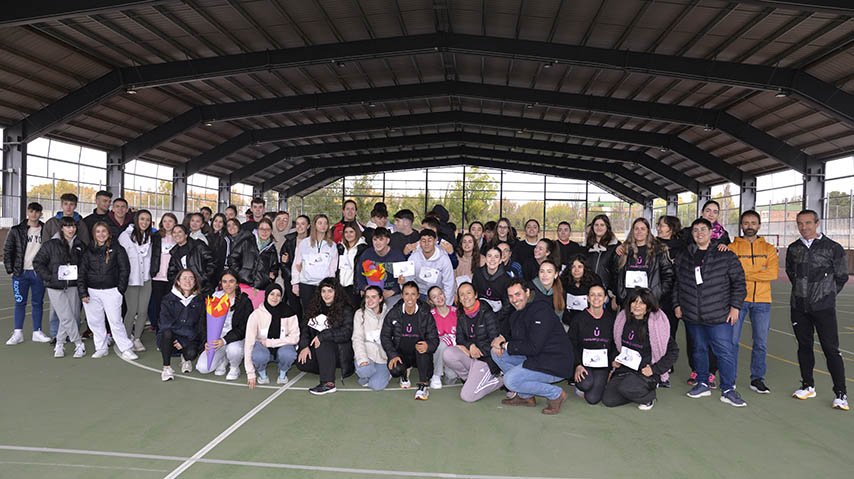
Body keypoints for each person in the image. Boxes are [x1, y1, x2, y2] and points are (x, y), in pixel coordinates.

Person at [674, 218, 747, 407]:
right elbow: (677, 283)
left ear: (711, 232)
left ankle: (729, 389)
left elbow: (739, 283)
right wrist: (677, 304)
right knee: (699, 350)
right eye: (696, 230)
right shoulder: (684, 256)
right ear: (692, 234)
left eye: (703, 229)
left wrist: (735, 307)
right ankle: (703, 383)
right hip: (692, 315)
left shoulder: (725, 255)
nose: (699, 233)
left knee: (725, 352)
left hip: (719, 315)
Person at [786, 210, 849, 410]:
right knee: (804, 346)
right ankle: (808, 386)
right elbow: (791, 273)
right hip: (799, 307)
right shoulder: (793, 248)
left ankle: (840, 394)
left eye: (808, 223)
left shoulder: (833, 248)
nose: (804, 227)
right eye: (800, 224)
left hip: (823, 308)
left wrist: (826, 295)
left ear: (817, 223)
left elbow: (841, 276)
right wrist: (801, 293)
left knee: (831, 349)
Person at [490, 279, 573, 415]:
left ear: (527, 292)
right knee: (496, 353)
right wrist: (501, 341)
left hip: (555, 363)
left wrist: (505, 344)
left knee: (509, 380)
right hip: (536, 357)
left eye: (518, 294)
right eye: (510, 296)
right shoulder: (517, 314)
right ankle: (525, 396)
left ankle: (556, 394)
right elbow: (519, 340)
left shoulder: (541, 310)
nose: (514, 299)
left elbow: (534, 346)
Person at [728, 210, 778, 394]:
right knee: (732, 341)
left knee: (760, 343)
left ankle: (757, 379)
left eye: (753, 222)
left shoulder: (769, 249)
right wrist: (758, 274)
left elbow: (772, 273)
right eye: (746, 223)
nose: (750, 226)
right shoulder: (732, 248)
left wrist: (744, 275)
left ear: (759, 225)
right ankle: (729, 378)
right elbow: (731, 274)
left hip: (763, 301)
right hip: (737, 301)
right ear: (741, 225)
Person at [603, 288, 678, 410]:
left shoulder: (656, 325)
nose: (637, 306)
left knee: (625, 387)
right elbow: (615, 345)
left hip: (645, 372)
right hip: (625, 369)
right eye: (634, 302)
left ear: (648, 306)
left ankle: (648, 397)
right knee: (609, 400)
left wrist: (654, 369)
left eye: (642, 303)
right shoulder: (622, 320)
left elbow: (673, 351)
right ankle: (633, 390)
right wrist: (615, 358)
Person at [78, 221, 137, 360]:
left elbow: (124, 270)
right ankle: (101, 347)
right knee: (95, 322)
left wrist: (119, 290)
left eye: (103, 231)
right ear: (94, 234)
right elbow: (82, 273)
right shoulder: (88, 250)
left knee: (115, 321)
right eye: (98, 232)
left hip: (112, 291)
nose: (101, 234)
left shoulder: (117, 249)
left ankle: (126, 348)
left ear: (108, 233)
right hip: (92, 292)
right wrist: (83, 293)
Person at [33, 216, 86, 358]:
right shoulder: (50, 244)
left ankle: (59, 344)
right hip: (55, 287)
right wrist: (50, 278)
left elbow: (84, 266)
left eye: (73, 226)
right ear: (61, 228)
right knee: (66, 316)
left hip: (73, 286)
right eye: (68, 226)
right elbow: (38, 262)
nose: (71, 229)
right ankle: (79, 344)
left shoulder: (80, 245)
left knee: (72, 316)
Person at [443, 282, 504, 402]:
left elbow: (495, 340)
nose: (465, 297)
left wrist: (478, 350)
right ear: (459, 299)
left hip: (486, 358)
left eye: (469, 293)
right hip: (472, 355)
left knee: (467, 396)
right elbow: (459, 338)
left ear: (475, 295)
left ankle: (502, 381)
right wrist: (470, 346)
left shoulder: (487, 313)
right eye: (462, 295)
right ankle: (470, 379)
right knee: (448, 353)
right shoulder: (461, 315)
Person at [381, 281, 439, 400]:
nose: (410, 298)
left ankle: (423, 386)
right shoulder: (394, 313)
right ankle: (404, 374)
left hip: (419, 355)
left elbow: (434, 338)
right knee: (395, 369)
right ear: (402, 295)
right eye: (407, 294)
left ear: (418, 296)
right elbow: (385, 336)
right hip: (401, 354)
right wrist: (392, 355)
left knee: (423, 352)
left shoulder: (425, 314)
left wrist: (428, 346)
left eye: (413, 294)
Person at [296, 278, 355, 395]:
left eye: (330, 291)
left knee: (324, 342)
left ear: (336, 292)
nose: (326, 295)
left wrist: (323, 335)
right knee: (302, 363)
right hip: (319, 350)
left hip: (339, 352)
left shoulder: (346, 309)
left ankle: (328, 383)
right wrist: (304, 346)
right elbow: (305, 329)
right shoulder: (314, 308)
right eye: (323, 291)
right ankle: (326, 367)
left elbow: (346, 333)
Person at [4, 202, 51, 345]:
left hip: (38, 273)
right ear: (27, 212)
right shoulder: (16, 230)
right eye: (31, 211)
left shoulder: (45, 230)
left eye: (37, 212)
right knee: (20, 302)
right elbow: (8, 250)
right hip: (21, 273)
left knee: (38, 303)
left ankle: (37, 331)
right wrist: (10, 270)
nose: (34, 214)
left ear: (41, 213)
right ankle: (18, 332)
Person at [196, 271, 253, 380]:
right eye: (224, 282)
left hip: (235, 339)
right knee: (203, 368)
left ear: (237, 283)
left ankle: (234, 367)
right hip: (216, 340)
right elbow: (203, 323)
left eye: (231, 281)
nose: (228, 285)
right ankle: (223, 359)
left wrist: (224, 340)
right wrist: (206, 342)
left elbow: (244, 328)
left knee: (234, 350)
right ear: (220, 284)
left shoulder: (245, 301)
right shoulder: (213, 299)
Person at [245, 284, 300, 388]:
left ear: (281, 297)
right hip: (262, 346)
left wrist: (270, 342)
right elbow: (249, 343)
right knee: (258, 355)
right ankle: (262, 374)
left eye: (278, 295)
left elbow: (295, 338)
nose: (275, 298)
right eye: (272, 294)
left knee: (289, 354)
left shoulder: (289, 312)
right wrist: (250, 373)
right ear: (266, 295)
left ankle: (283, 373)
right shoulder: (256, 314)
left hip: (281, 345)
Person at [568, 285, 615, 404]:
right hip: (584, 364)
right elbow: (571, 344)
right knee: (585, 384)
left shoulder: (611, 319)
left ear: (605, 299)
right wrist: (577, 365)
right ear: (588, 298)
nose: (596, 298)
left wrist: (611, 368)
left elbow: (615, 345)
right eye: (592, 295)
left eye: (599, 295)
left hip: (602, 365)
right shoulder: (578, 319)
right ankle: (580, 387)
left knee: (593, 399)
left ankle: (600, 382)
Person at [612, 218, 673, 306]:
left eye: (642, 229)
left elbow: (668, 275)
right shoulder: (623, 251)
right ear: (632, 231)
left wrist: (658, 295)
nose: (639, 231)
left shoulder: (659, 251)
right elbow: (615, 275)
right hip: (628, 302)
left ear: (648, 231)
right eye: (636, 229)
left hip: (650, 302)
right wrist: (620, 295)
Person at [118, 209, 154, 352]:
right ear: (136, 219)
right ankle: (126, 339)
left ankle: (137, 338)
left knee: (143, 311)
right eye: (142, 219)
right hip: (132, 279)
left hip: (146, 279)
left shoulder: (150, 237)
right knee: (132, 310)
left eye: (147, 220)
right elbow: (121, 259)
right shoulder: (125, 236)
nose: (144, 222)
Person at [158, 269, 204, 381]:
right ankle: (166, 368)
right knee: (167, 333)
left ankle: (185, 358)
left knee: (191, 354)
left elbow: (200, 325)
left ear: (195, 282)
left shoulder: (199, 300)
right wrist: (181, 337)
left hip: (189, 338)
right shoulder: (168, 299)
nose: (188, 281)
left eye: (191, 278)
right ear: (178, 281)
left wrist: (184, 342)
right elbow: (164, 323)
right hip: (172, 337)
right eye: (184, 278)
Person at [291, 215, 339, 314]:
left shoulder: (332, 245)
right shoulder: (304, 243)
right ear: (314, 225)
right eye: (320, 223)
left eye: (325, 223)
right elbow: (296, 264)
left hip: (323, 286)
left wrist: (331, 285)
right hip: (306, 285)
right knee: (308, 314)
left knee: (324, 313)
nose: (323, 226)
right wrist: (295, 283)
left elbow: (333, 267)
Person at [228, 217, 280, 309]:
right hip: (243, 286)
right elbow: (232, 258)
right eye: (262, 229)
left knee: (256, 318)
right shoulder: (247, 242)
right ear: (257, 229)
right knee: (240, 316)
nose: (264, 232)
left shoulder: (272, 249)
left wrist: (270, 277)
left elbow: (275, 268)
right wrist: (239, 273)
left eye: (267, 229)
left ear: (271, 231)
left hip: (260, 289)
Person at [352, 285, 391, 391]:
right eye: (367, 297)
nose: (369, 300)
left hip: (383, 357)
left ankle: (382, 374)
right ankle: (364, 375)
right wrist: (362, 358)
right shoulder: (359, 314)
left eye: (373, 297)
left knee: (377, 386)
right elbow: (357, 339)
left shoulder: (389, 314)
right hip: (367, 353)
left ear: (381, 298)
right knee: (365, 370)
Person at [354, 227, 406, 306]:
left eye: (381, 239)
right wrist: (364, 287)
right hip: (371, 293)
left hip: (391, 293)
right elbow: (359, 275)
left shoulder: (397, 256)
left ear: (387, 240)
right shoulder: (367, 254)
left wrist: (392, 291)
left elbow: (403, 278)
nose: (377, 243)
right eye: (375, 239)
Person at [402, 229, 454, 305]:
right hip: (420, 293)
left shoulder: (444, 258)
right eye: (423, 241)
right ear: (419, 242)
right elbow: (409, 279)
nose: (426, 244)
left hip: (437, 295)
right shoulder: (414, 257)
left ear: (435, 241)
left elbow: (449, 284)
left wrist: (446, 306)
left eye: (429, 240)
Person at [471, 246, 512, 333]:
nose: (492, 259)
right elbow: (474, 295)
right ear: (485, 258)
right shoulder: (478, 274)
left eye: (496, 257)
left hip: (499, 317)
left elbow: (507, 304)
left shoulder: (506, 279)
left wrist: (494, 318)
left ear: (501, 260)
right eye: (489, 256)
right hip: (480, 314)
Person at [167, 224, 216, 296]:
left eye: (180, 232)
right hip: (185, 291)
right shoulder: (174, 252)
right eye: (174, 232)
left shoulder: (198, 245)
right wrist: (180, 285)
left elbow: (212, 261)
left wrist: (203, 278)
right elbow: (171, 273)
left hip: (203, 288)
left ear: (186, 234)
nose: (177, 234)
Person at [149, 213, 177, 333]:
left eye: (170, 221)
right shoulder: (156, 236)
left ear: (175, 223)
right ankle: (159, 327)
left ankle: (169, 327)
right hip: (158, 275)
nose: (167, 224)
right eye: (165, 221)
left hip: (173, 276)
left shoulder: (178, 236)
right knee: (159, 303)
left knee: (171, 303)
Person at [426, 286, 458, 388]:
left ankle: (446, 368)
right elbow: (430, 341)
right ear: (431, 301)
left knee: (451, 378)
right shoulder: (430, 316)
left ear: (444, 294)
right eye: (434, 297)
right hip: (438, 353)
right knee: (441, 342)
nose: (439, 298)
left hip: (454, 352)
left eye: (440, 294)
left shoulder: (457, 312)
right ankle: (436, 375)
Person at [584, 214, 619, 297]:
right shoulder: (586, 247)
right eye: (596, 225)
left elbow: (617, 273)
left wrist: (613, 294)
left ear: (607, 227)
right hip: (588, 292)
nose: (599, 227)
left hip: (607, 294)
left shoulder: (615, 247)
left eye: (602, 225)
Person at [561, 254, 604, 321]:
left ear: (585, 268)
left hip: (590, 319)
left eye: (580, 267)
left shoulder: (594, 280)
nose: (576, 270)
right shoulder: (564, 280)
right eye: (573, 267)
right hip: (569, 319)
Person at [281, 215, 309, 314]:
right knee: (294, 308)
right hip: (291, 280)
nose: (299, 226)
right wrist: (290, 276)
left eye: (303, 224)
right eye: (297, 224)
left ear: (308, 226)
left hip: (307, 280)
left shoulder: (312, 241)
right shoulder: (289, 241)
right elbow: (283, 263)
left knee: (308, 308)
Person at [337, 222, 368, 306]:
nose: (348, 234)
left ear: (356, 232)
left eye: (351, 232)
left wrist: (362, 287)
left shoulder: (363, 249)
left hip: (354, 288)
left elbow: (365, 270)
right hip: (340, 287)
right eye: (346, 232)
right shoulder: (340, 247)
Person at [207, 213, 229, 281]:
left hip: (217, 274)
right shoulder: (206, 236)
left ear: (224, 224)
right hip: (206, 271)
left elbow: (224, 259)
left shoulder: (225, 239)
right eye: (216, 221)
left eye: (220, 222)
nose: (217, 224)